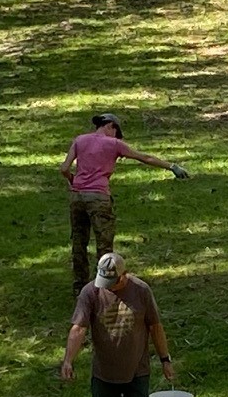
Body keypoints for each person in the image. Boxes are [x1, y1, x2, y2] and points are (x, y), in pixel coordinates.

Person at [61, 252, 176, 397]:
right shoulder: (90, 292)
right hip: (103, 372)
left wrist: (165, 359)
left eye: (113, 282)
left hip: (137, 369)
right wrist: (68, 360)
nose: (109, 287)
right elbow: (78, 328)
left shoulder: (141, 291)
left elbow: (155, 327)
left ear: (124, 276)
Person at [61, 113, 189, 293]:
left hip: (77, 197)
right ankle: (103, 287)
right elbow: (145, 158)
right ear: (110, 126)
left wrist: (73, 180)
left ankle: (79, 286)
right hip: (99, 197)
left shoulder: (80, 140)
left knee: (79, 241)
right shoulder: (113, 144)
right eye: (116, 131)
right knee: (104, 243)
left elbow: (64, 168)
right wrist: (172, 167)